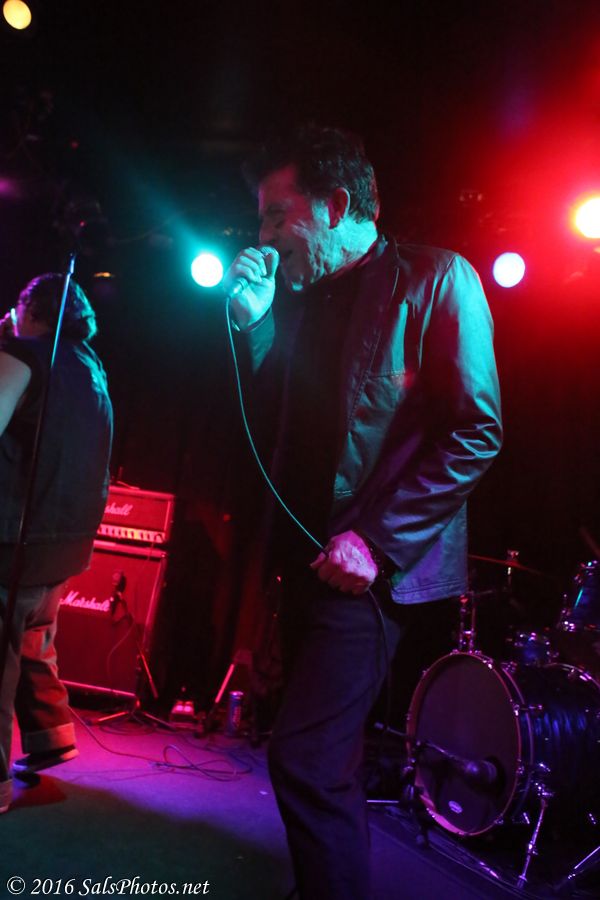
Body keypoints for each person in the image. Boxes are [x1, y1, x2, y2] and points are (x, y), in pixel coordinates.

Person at [222, 124, 502, 900]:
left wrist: (375, 542)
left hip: (371, 574)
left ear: (337, 205)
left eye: (277, 215)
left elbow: (477, 431)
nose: (263, 236)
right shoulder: (302, 298)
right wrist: (253, 324)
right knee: (324, 762)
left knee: (306, 761)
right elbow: (274, 424)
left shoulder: (438, 277)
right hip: (306, 562)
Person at [0, 274, 112, 812]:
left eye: (18, 304)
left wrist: (7, 347)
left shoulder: (25, 356)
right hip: (66, 542)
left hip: (15, 539)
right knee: (33, 638)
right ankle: (52, 736)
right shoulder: (91, 367)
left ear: (33, 309)